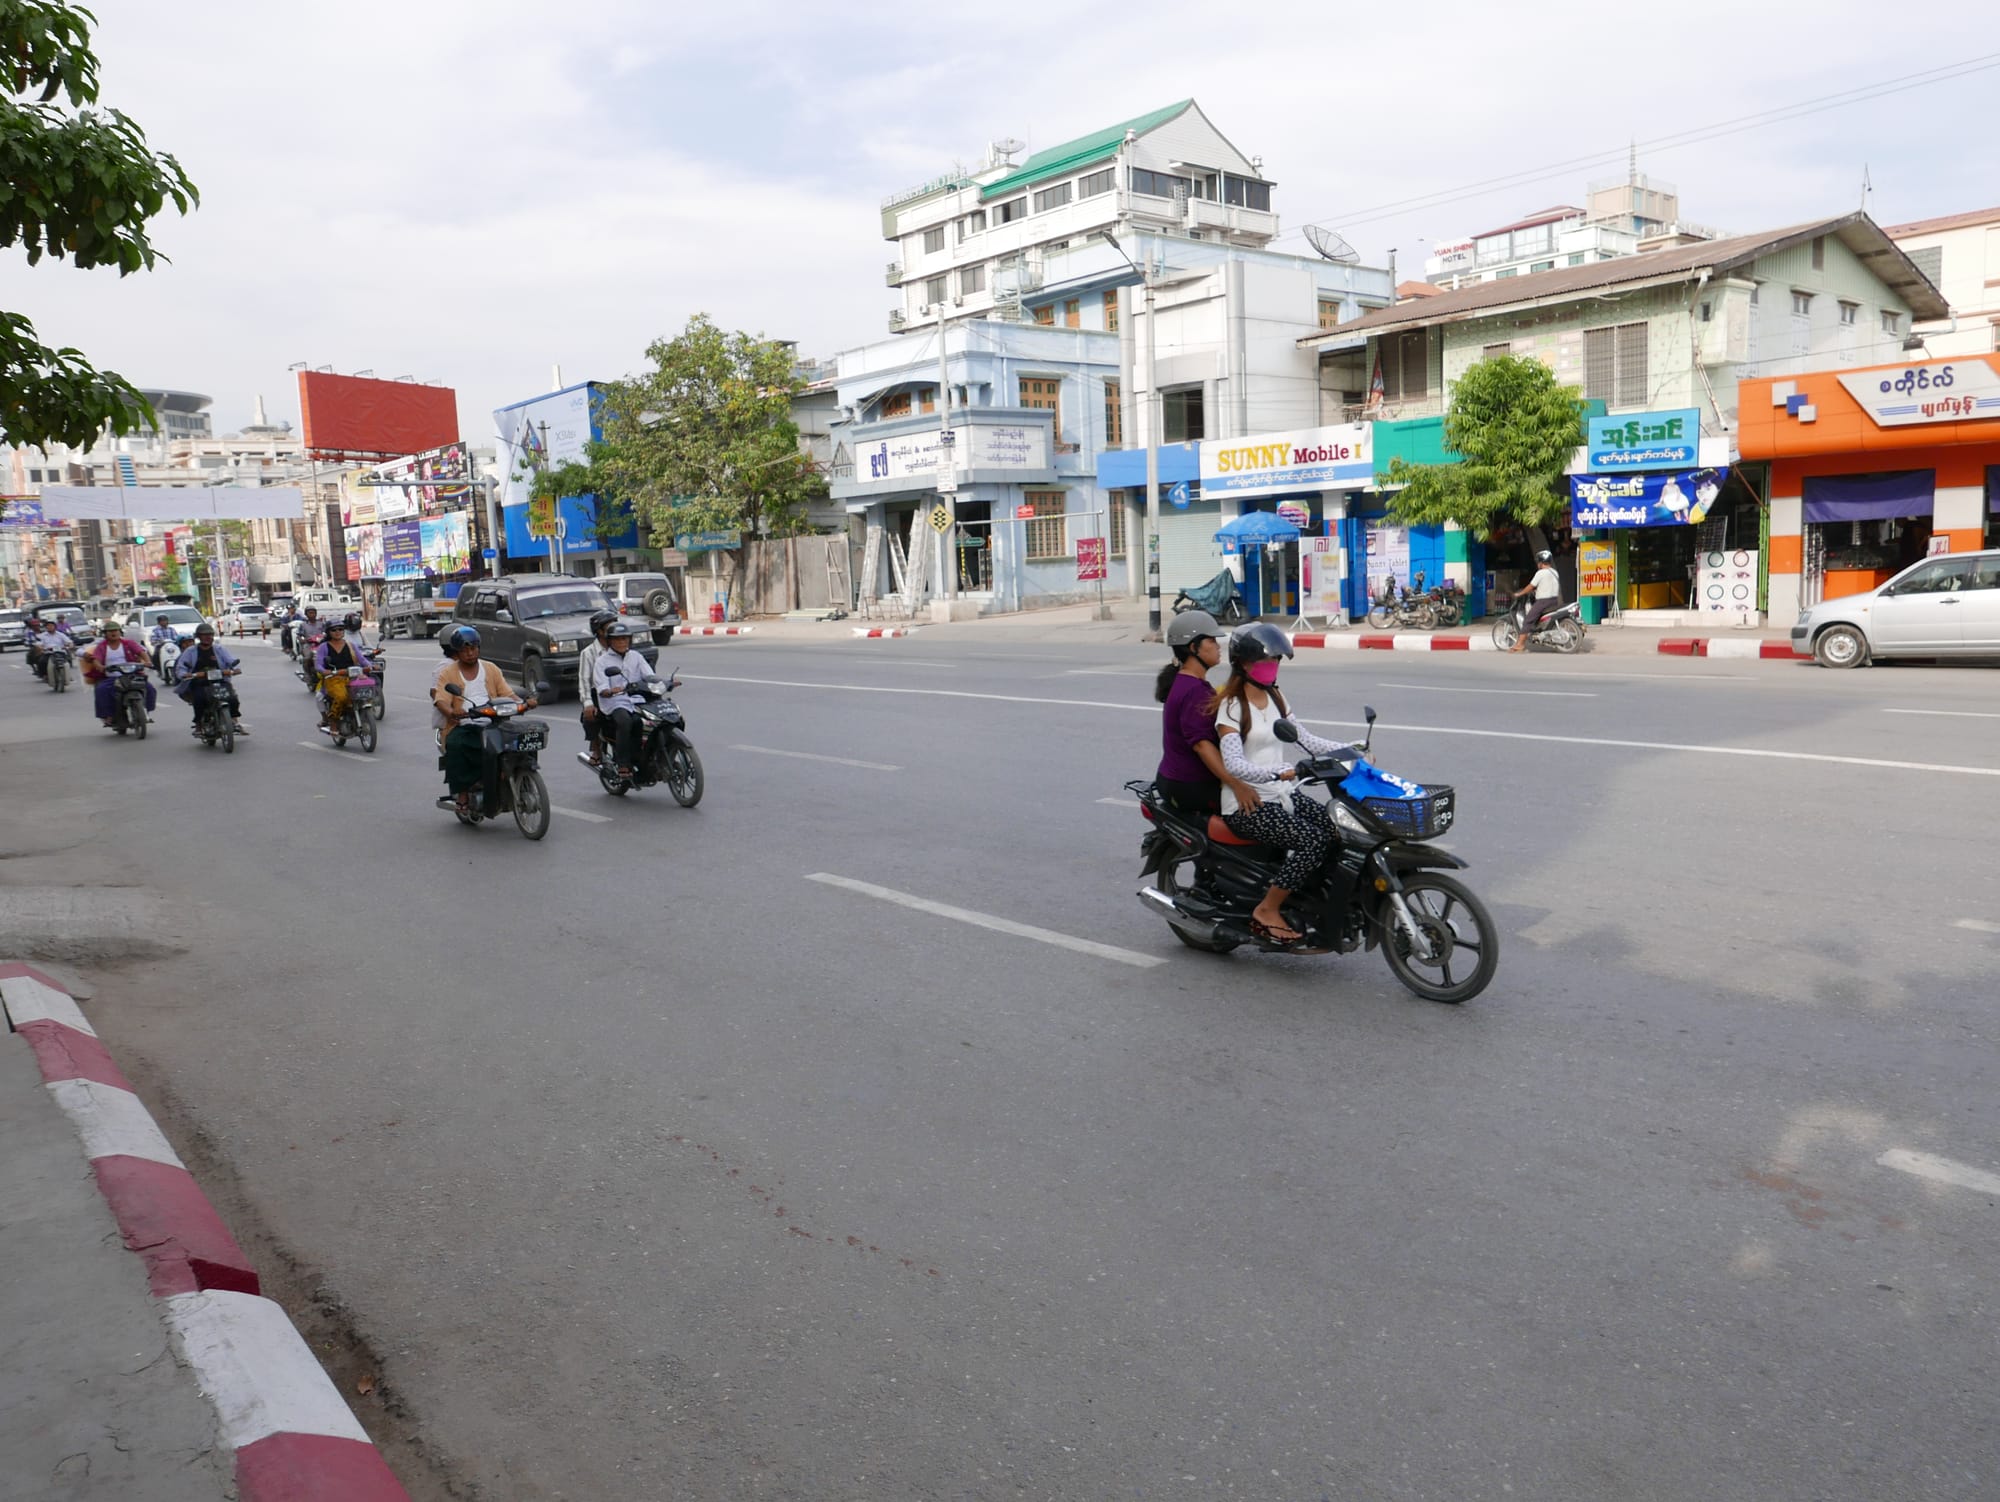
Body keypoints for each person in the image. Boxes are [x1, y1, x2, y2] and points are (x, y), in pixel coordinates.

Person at [1210, 622, 1350, 947]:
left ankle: (1308, 897)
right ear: (1244, 664)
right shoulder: (1232, 707)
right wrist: (1274, 772)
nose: (1272, 666)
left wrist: (1349, 750)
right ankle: (1267, 908)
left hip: (1282, 794)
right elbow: (1234, 764)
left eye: (1275, 660)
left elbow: (1306, 739)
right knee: (1312, 840)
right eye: (1265, 660)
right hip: (1248, 803)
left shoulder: (1276, 696)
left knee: (1337, 829)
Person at [1153, 608, 1247, 818]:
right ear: (1193, 647)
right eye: (1211, 641)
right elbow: (1202, 746)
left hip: (1173, 778)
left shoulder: (1184, 681)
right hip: (1190, 786)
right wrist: (1236, 784)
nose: (1218, 646)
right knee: (1257, 809)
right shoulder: (1196, 691)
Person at [431, 626, 534, 812]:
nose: (470, 653)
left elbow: (507, 693)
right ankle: (462, 793)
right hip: (464, 724)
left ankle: (506, 775)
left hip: (494, 721)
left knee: (521, 739)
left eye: (473, 648)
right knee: (457, 745)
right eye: (465, 650)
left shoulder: (491, 668)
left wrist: (524, 703)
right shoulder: (448, 672)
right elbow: (441, 700)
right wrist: (452, 712)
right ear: (457, 652)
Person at [591, 624, 650, 779]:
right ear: (610, 641)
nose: (622, 642)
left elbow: (649, 676)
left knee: (644, 722)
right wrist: (610, 691)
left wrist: (665, 682)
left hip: (636, 699)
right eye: (617, 639)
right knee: (625, 722)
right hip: (614, 702)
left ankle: (643, 758)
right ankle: (624, 763)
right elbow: (602, 686)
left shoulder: (636, 656)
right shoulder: (602, 661)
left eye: (624, 638)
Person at [172, 624, 247, 734]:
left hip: (220, 680)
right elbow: (181, 668)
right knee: (199, 699)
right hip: (200, 682)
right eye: (205, 635)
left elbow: (231, 661)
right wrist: (185, 674)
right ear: (198, 637)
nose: (208, 637)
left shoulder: (219, 649)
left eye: (210, 634)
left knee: (232, 698)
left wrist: (235, 669)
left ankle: (234, 721)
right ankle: (198, 724)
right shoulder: (190, 651)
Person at [81, 621, 155, 728]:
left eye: (115, 630)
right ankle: (108, 717)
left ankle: (146, 711)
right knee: (101, 690)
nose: (113, 633)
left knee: (149, 688)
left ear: (120, 632)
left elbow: (141, 652)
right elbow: (96, 659)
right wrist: (100, 666)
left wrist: (148, 662)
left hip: (132, 675)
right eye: (110, 631)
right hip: (112, 677)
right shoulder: (102, 646)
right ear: (105, 633)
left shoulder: (129, 643)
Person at [576, 609, 618, 766]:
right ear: (599, 631)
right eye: (609, 627)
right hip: (599, 692)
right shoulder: (588, 653)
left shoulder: (620, 646)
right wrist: (588, 703)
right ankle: (596, 748)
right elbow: (584, 680)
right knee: (590, 716)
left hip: (621, 691)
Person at [312, 620, 365, 732]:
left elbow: (362, 659)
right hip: (333, 678)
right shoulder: (323, 647)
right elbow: (318, 665)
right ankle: (333, 720)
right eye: (334, 630)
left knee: (365, 693)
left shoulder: (351, 645)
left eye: (340, 629)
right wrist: (325, 671)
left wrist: (371, 666)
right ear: (328, 632)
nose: (337, 632)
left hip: (352, 677)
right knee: (341, 697)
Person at [1512, 550, 1562, 649]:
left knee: (1528, 620)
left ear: (1541, 562)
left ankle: (1520, 644)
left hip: (1543, 602)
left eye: (1538, 561)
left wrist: (1520, 593)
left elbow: (1531, 586)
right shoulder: (1555, 572)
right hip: (1554, 601)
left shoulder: (1541, 573)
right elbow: (1547, 585)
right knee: (1537, 619)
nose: (1538, 564)